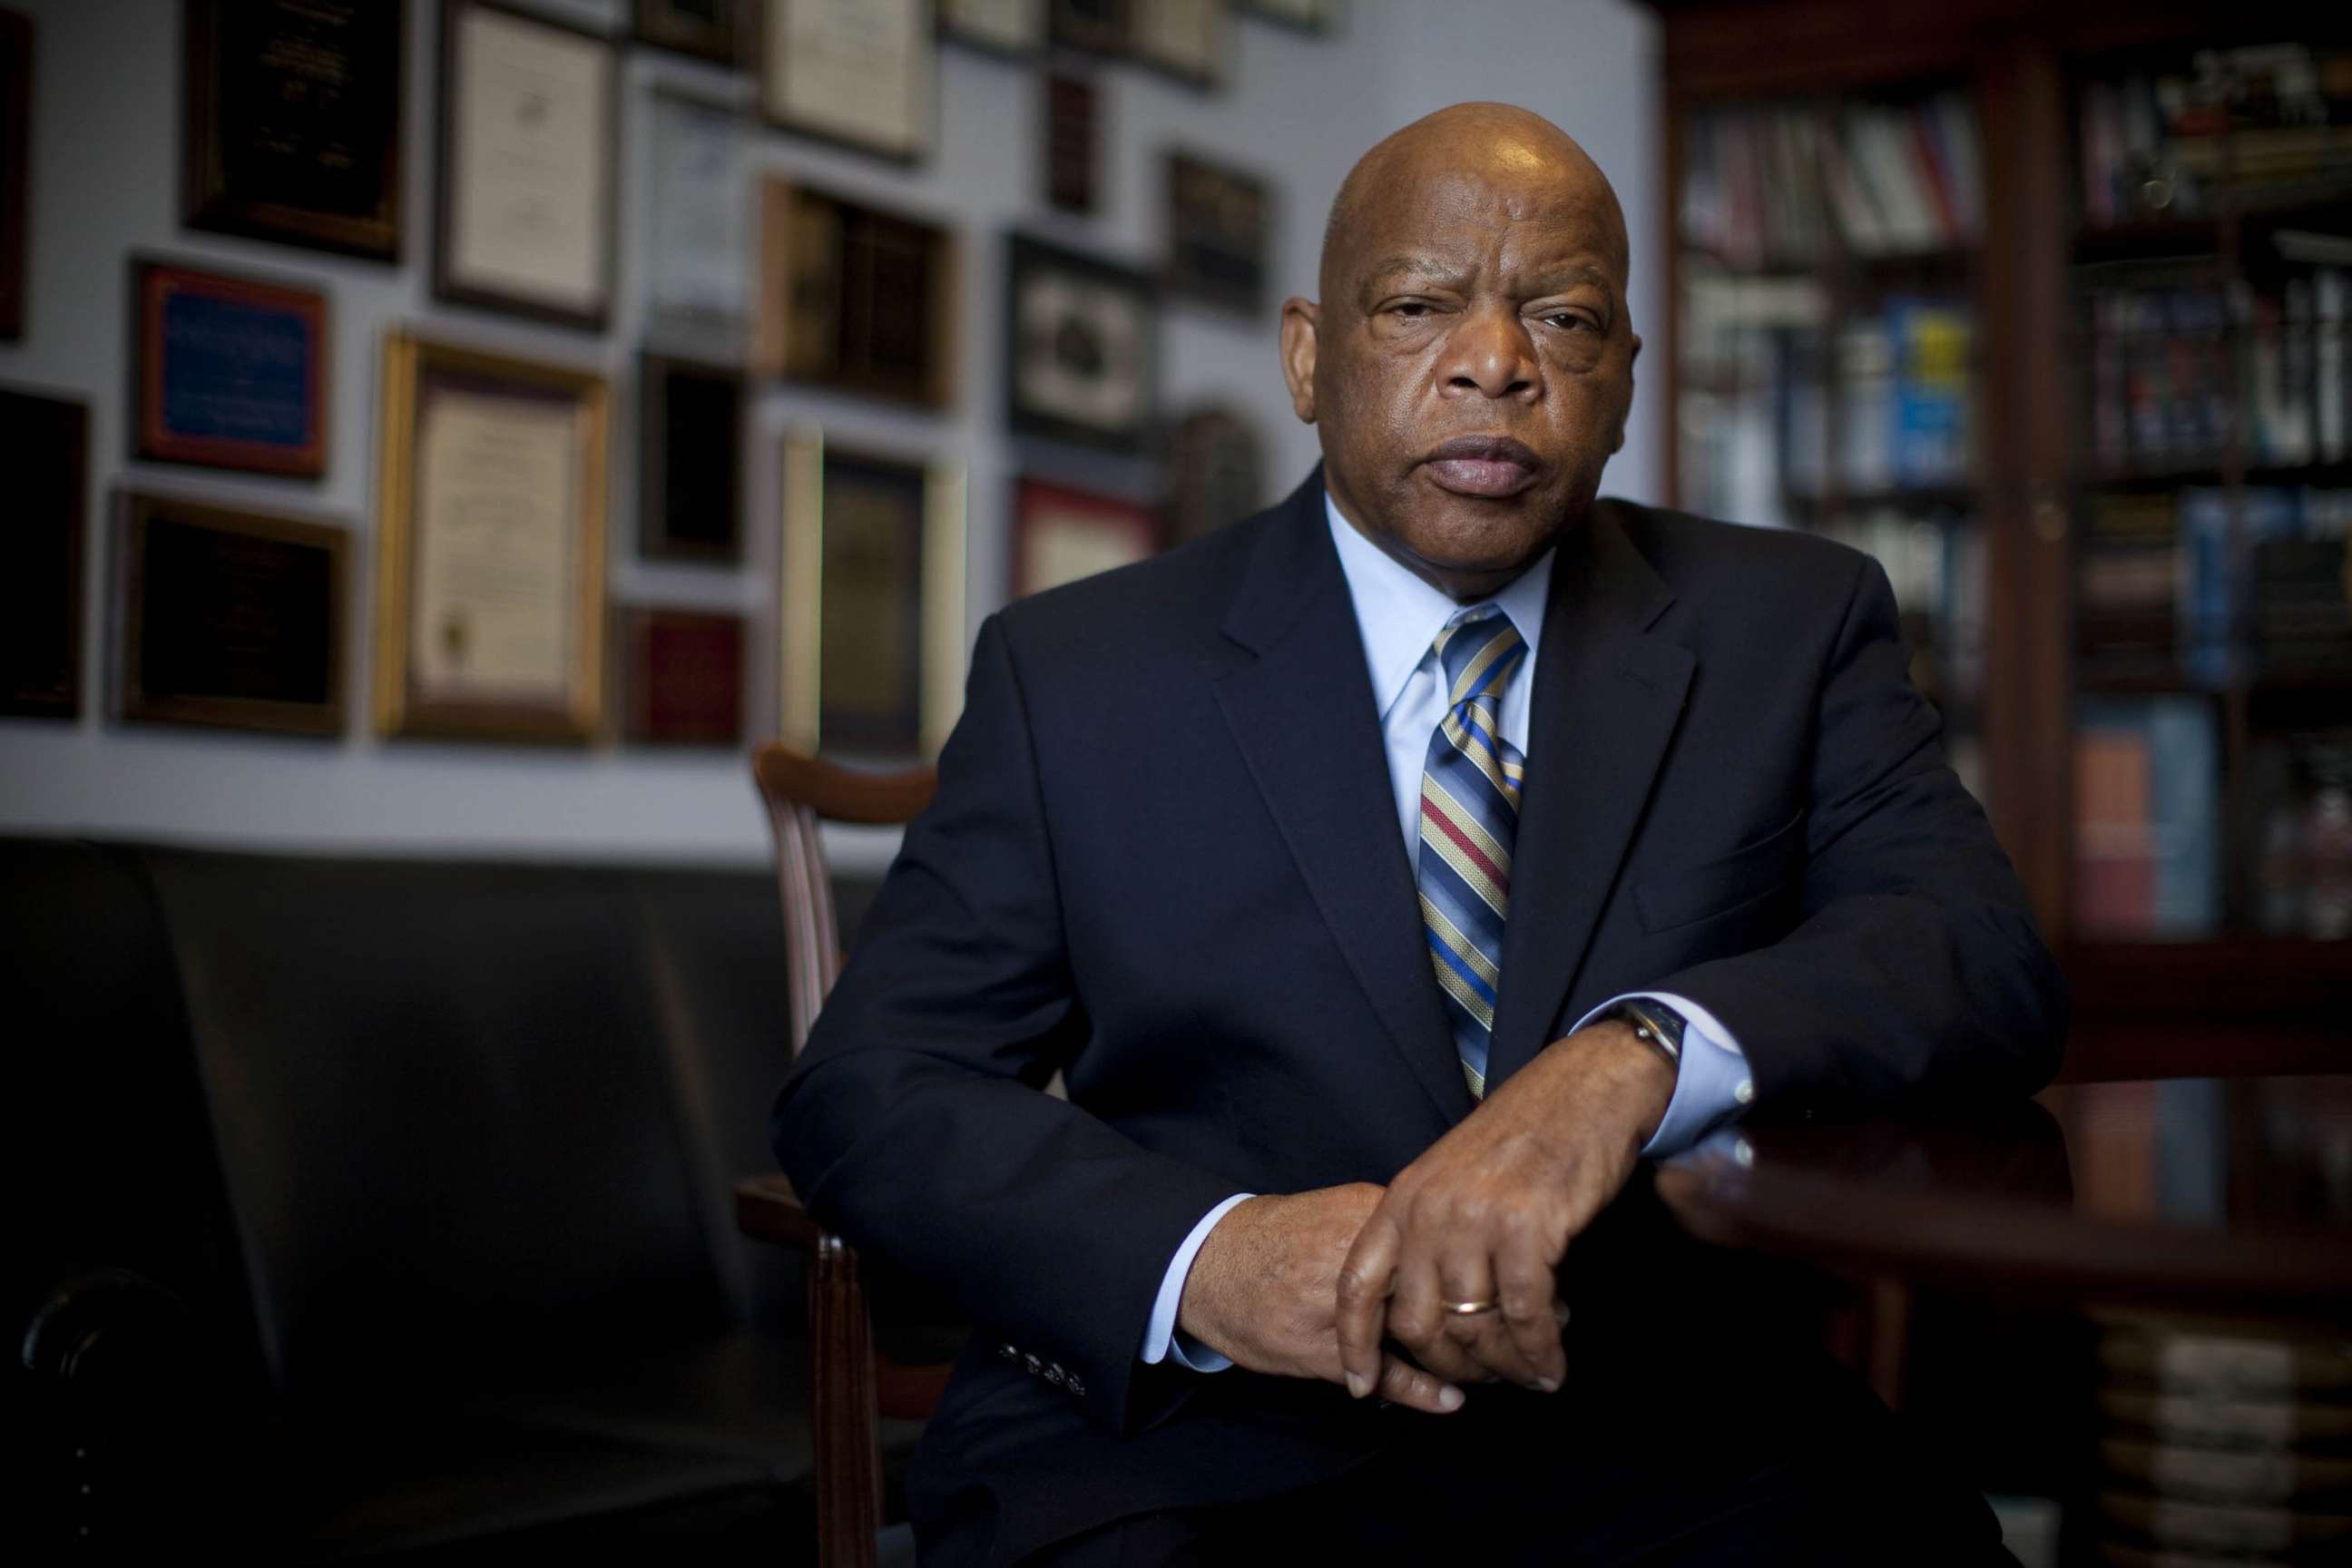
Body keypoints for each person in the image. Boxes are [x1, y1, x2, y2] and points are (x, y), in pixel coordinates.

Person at [774, 103, 2066, 1567]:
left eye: (1565, 316)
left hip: (1665, 1432)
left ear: (1627, 378)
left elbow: (1982, 955)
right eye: (1418, 306)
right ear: (1310, 356)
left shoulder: (1792, 623)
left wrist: (1628, 1059)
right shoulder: (1079, 672)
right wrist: (1208, 1260)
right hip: (1202, 1443)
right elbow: (872, 1088)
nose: (1498, 361)